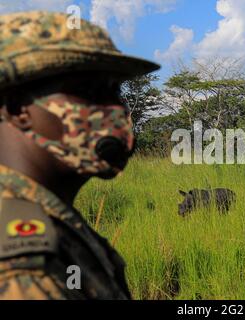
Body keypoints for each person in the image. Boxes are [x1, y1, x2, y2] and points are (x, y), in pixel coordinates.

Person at [0, 11, 160, 299]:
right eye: (87, 91)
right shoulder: (23, 268)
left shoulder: (51, 219)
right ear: (17, 109)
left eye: (114, 91)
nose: (116, 109)